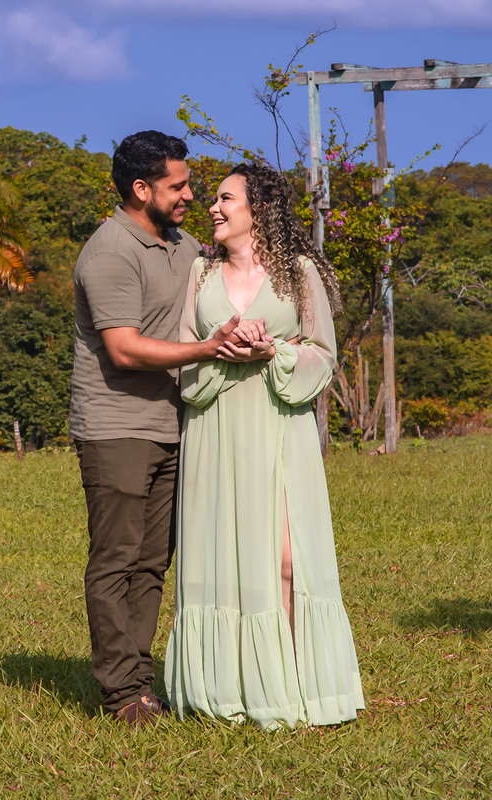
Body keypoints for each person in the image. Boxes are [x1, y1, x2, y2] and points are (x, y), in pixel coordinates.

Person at [163, 162, 365, 729]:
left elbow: (322, 355)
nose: (213, 208)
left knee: (285, 558)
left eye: (226, 199)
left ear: (260, 209)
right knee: (217, 564)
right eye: (213, 200)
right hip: (214, 428)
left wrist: (272, 352)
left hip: (279, 430)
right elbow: (184, 358)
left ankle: (302, 689)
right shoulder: (200, 276)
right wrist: (219, 345)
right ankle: (225, 691)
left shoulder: (298, 272)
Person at [70, 131, 257, 727]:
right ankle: (121, 691)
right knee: (116, 559)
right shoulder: (109, 252)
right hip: (116, 426)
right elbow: (123, 350)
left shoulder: (183, 245)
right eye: (177, 186)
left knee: (153, 561)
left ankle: (142, 681)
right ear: (141, 188)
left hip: (172, 424)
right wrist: (207, 349)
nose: (189, 195)